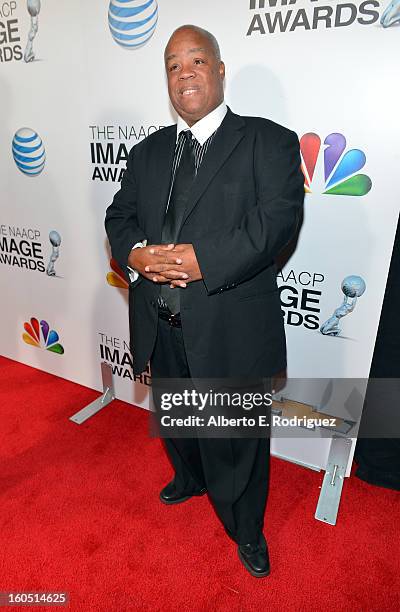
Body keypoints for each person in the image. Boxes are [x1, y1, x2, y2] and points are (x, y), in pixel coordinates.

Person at [105, 24, 304, 578]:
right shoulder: (146, 152)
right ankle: (190, 478)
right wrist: (137, 255)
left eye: (196, 60)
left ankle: (246, 528)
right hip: (159, 321)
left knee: (237, 439)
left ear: (219, 69)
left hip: (229, 323)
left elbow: (277, 221)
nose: (184, 72)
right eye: (173, 65)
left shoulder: (270, 141)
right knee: (178, 421)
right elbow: (119, 217)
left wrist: (203, 263)